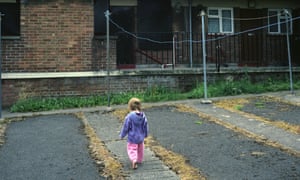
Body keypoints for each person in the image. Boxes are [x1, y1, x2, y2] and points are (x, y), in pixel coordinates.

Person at [120, 97, 149, 169]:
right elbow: (146, 125)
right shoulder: (143, 116)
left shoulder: (129, 117)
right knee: (140, 149)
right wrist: (146, 134)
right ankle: (139, 160)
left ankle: (134, 160)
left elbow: (126, 127)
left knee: (132, 149)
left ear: (130, 107)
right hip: (140, 137)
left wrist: (122, 135)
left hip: (132, 137)